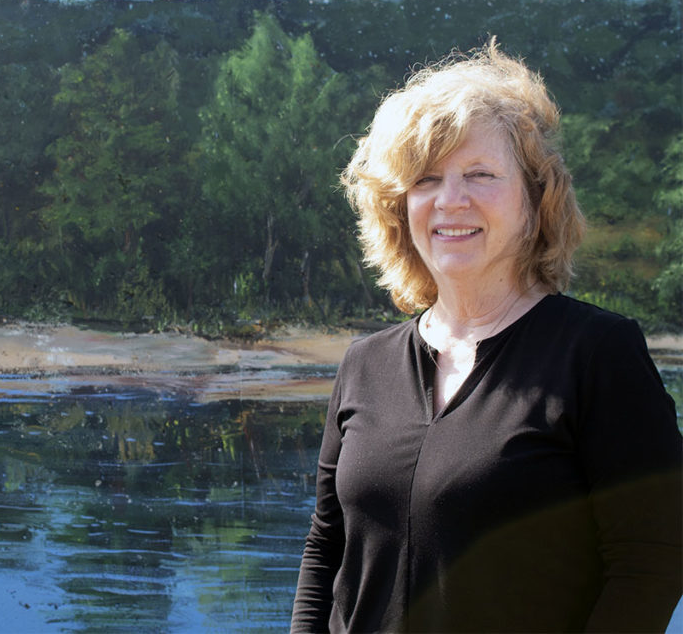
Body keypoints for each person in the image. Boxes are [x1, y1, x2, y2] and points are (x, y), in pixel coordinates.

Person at [291, 40, 682, 633]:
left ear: (535, 200)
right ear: (399, 207)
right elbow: (327, 549)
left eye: (480, 174)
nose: (452, 200)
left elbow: (652, 562)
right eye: (427, 179)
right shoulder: (363, 365)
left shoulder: (597, 354)